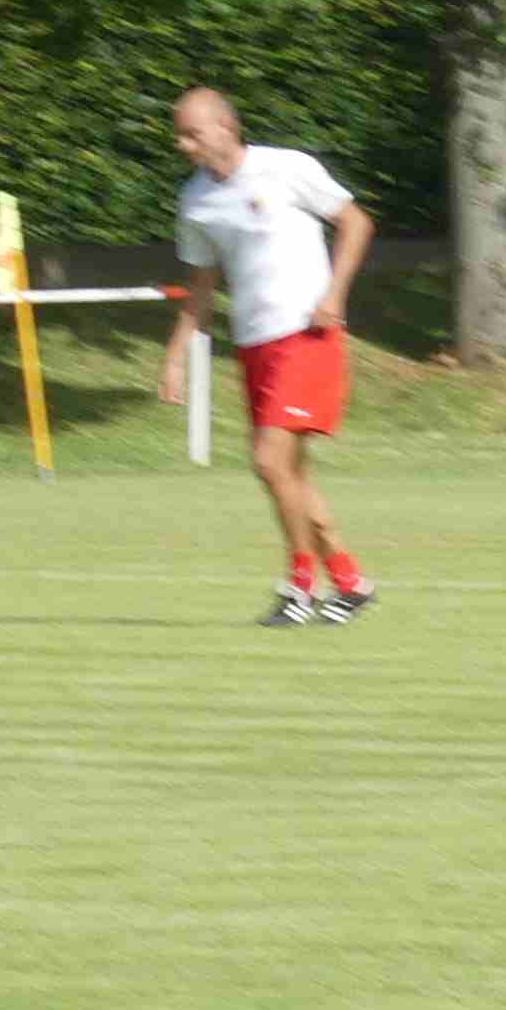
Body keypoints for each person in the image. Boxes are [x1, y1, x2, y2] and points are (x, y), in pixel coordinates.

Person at [156, 87, 379, 628]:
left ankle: (300, 586)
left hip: (307, 335)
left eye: (192, 133)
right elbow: (202, 286)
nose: (184, 145)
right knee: (288, 474)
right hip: (254, 345)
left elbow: (357, 223)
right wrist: (176, 357)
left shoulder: (286, 168)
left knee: (268, 462)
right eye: (180, 136)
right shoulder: (195, 200)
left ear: (225, 127)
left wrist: (335, 296)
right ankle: (350, 582)